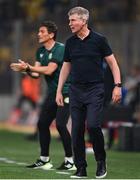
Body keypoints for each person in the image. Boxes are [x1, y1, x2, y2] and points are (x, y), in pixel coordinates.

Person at [56, 7, 122, 179]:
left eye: (73, 20)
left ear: (84, 21)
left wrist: (118, 85)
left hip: (95, 89)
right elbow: (66, 67)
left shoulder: (100, 40)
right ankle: (81, 168)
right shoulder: (70, 42)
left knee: (93, 126)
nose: (70, 23)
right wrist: (59, 91)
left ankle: (101, 162)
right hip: (75, 90)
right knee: (76, 130)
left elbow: (113, 64)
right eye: (69, 20)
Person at [10, 21, 75, 170]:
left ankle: (70, 161)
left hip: (66, 91)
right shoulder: (40, 51)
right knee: (42, 124)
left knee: (60, 125)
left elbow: (50, 70)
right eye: (39, 31)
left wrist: (29, 67)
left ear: (51, 34)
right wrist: (25, 70)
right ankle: (45, 159)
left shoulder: (60, 49)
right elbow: (36, 74)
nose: (38, 34)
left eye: (42, 31)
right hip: (52, 93)